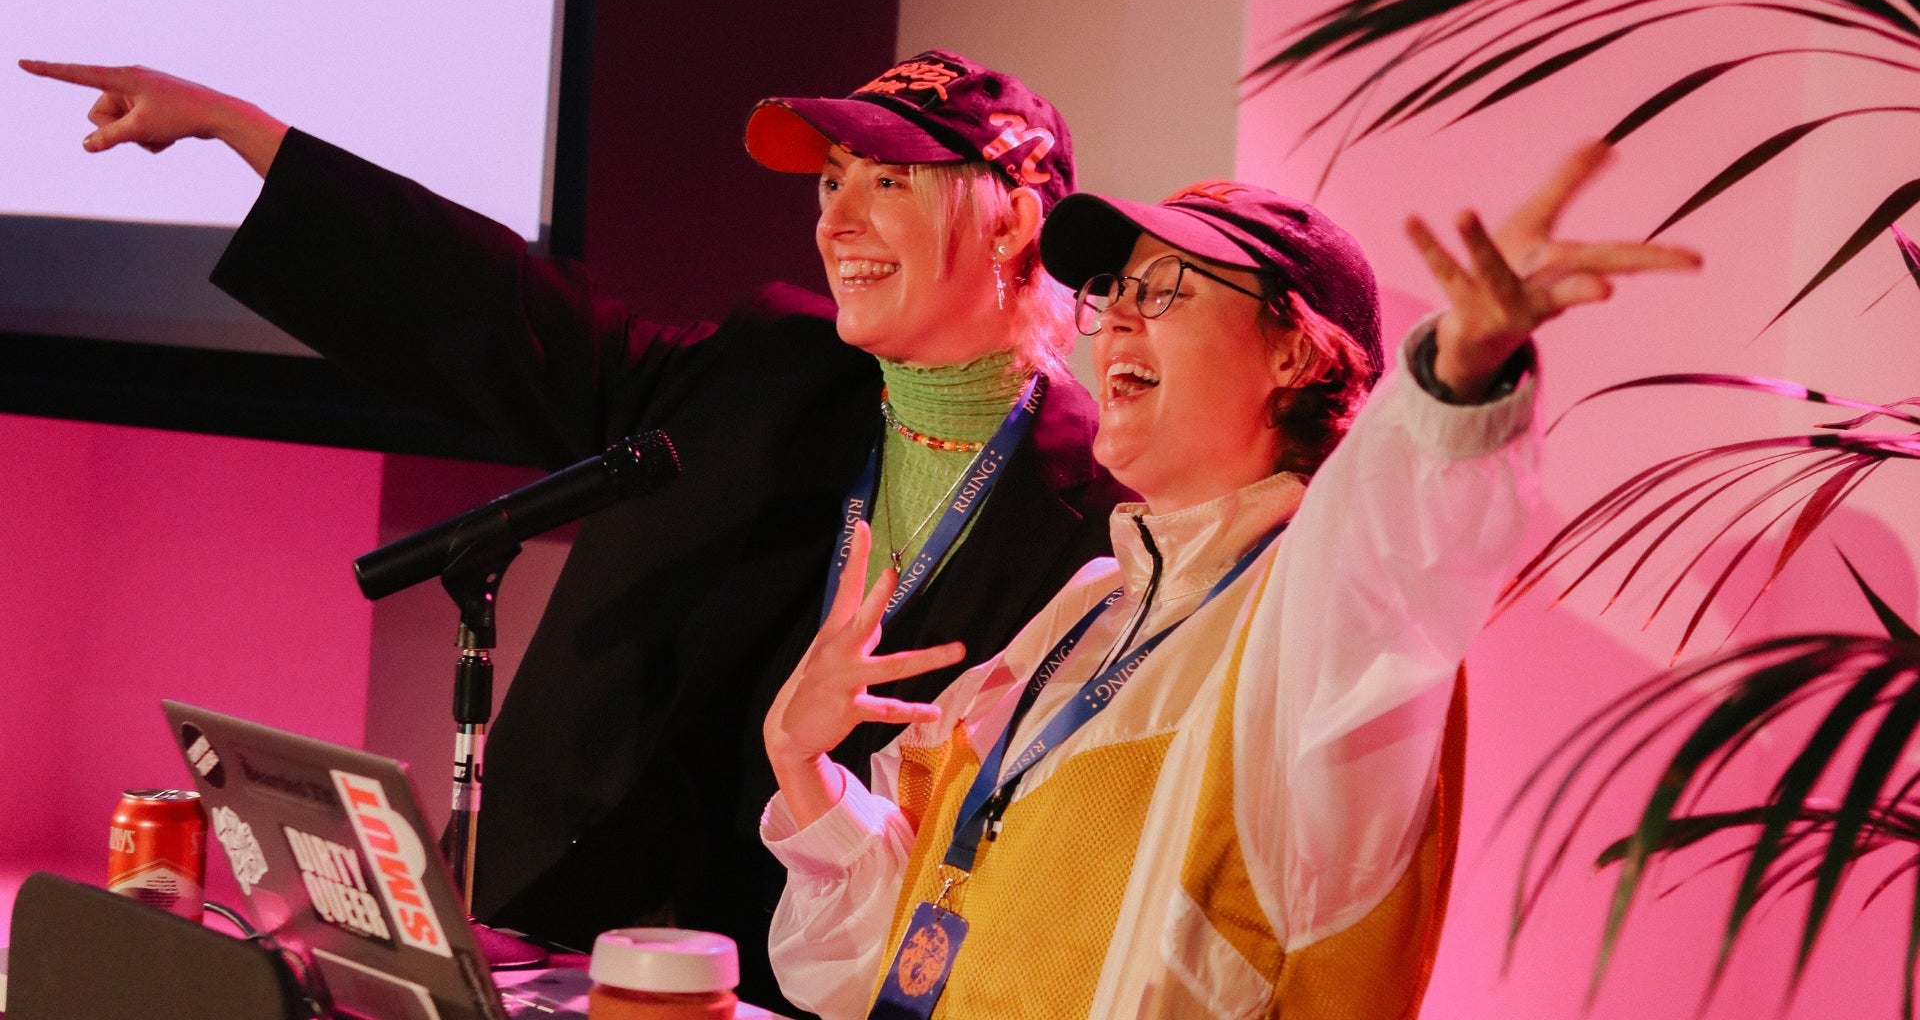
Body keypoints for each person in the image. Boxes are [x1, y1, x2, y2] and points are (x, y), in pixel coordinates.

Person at [19, 50, 1132, 1009]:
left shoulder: (1097, 524)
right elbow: (505, 313)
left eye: (887, 181)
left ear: (1014, 214)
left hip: (803, 990)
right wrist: (246, 134)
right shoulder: (766, 370)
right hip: (557, 936)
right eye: (832, 182)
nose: (835, 222)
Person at [758, 151, 1700, 1018]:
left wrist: (1462, 373)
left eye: (1165, 287)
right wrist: (804, 770)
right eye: (1114, 290)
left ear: (1295, 353)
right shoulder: (1090, 607)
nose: (1118, 314)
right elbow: (885, 948)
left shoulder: (1317, 615)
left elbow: (1403, 528)